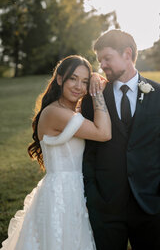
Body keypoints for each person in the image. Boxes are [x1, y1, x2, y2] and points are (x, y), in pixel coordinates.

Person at [82, 29, 160, 250]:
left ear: (127, 54)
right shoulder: (94, 96)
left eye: (107, 58)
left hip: (151, 204)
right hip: (106, 205)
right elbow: (88, 152)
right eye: (100, 61)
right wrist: (92, 194)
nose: (103, 66)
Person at [1, 55, 111, 250]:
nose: (79, 86)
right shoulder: (56, 113)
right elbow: (103, 133)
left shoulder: (69, 111)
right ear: (60, 79)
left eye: (85, 81)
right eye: (73, 78)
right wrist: (96, 93)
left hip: (71, 190)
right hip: (62, 195)